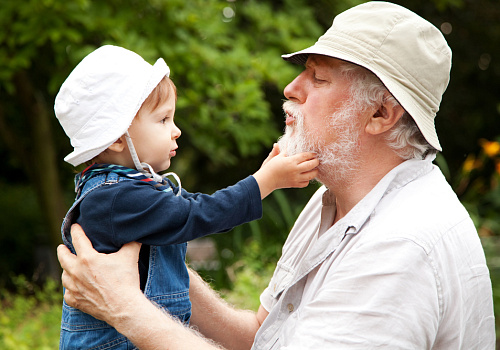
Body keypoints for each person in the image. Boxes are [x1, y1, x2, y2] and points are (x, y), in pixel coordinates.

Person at [57, 2, 496, 349]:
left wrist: (124, 307)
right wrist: (153, 264)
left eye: (318, 78)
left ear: (380, 113)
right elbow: (261, 339)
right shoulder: (333, 202)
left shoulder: (401, 246)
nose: (291, 87)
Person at [54, 45, 319, 349]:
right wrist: (264, 182)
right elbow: (197, 214)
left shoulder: (131, 191)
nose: (176, 130)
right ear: (116, 138)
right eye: (163, 119)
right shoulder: (115, 198)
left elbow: (199, 208)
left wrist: (261, 177)